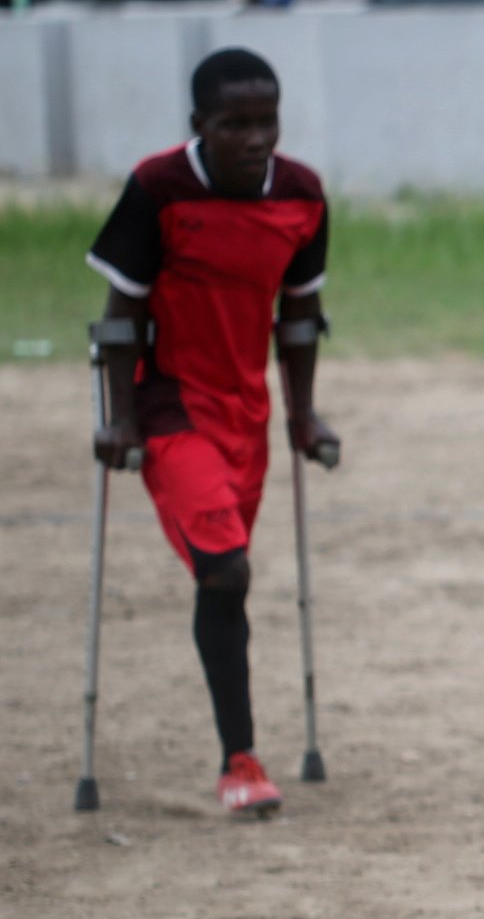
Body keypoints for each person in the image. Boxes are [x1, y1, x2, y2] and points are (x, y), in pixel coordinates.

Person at [85, 47, 339, 817]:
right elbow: (119, 314)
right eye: (236, 124)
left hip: (247, 413)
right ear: (200, 125)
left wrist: (302, 413)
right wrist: (119, 419)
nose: (256, 138)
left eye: (267, 121)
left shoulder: (302, 196)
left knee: (224, 575)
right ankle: (241, 760)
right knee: (225, 570)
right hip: (168, 404)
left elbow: (298, 319)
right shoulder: (157, 188)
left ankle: (241, 753)